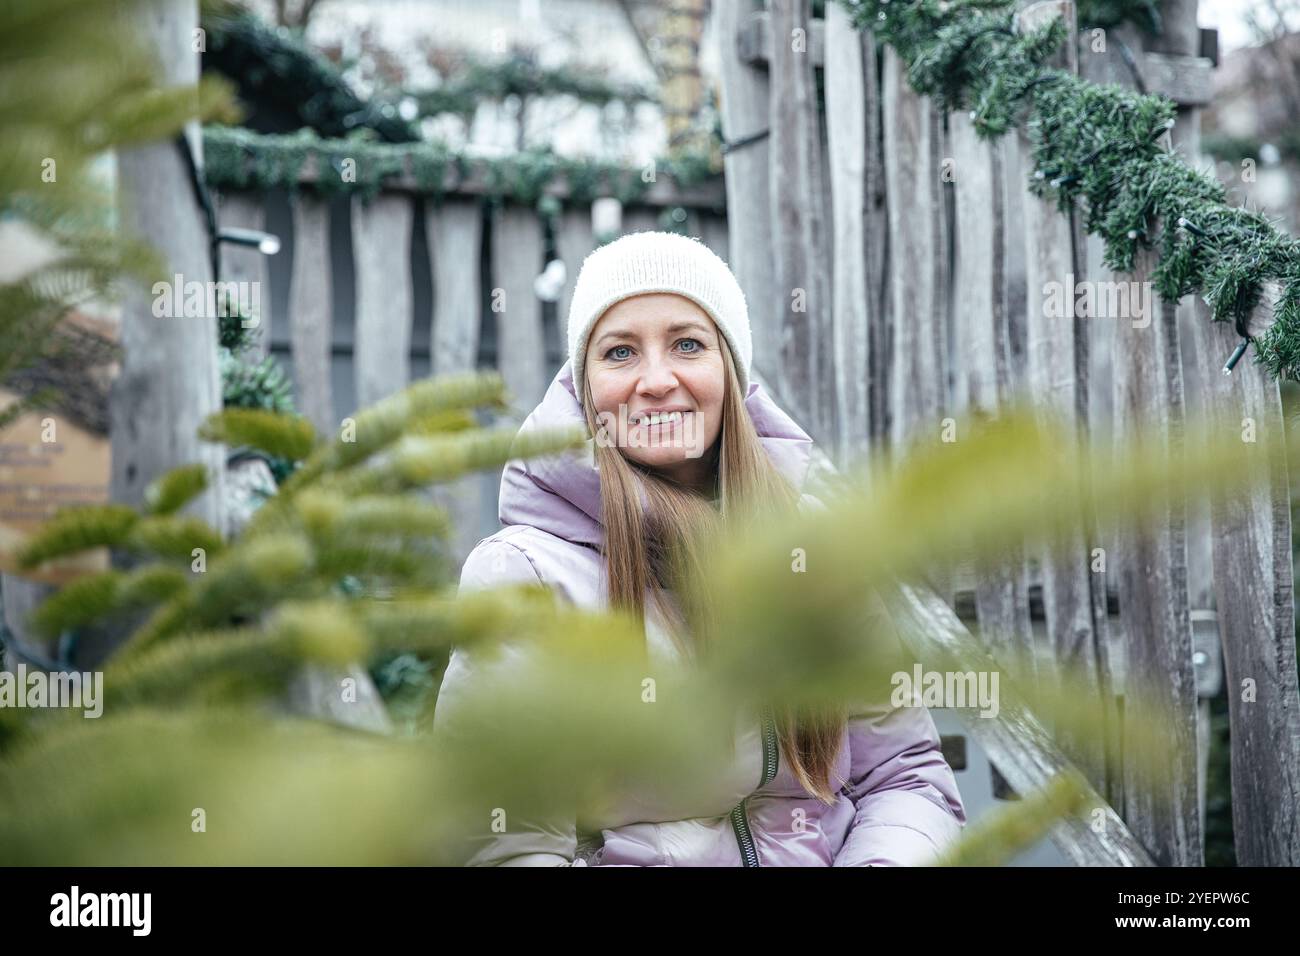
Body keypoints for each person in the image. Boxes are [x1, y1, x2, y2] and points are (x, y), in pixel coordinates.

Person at [433, 231, 966, 866]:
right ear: (584, 388)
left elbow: (904, 777)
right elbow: (506, 841)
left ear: (732, 374)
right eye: (619, 352)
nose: (657, 380)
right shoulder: (524, 576)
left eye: (688, 344)